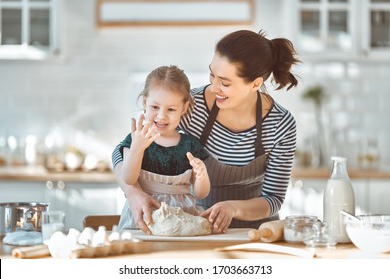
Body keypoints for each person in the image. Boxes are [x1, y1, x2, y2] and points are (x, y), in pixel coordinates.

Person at [112, 29, 300, 234]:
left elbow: (273, 199)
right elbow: (123, 151)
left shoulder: (280, 124)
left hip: (256, 232)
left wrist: (232, 207)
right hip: (198, 225)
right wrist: (133, 193)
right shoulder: (191, 106)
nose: (214, 86)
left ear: (255, 84)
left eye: (225, 82)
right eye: (212, 74)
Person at [115, 65, 211, 233]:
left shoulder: (190, 144)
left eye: (171, 109)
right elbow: (129, 178)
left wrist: (202, 176)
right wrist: (137, 149)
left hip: (182, 220)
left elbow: (201, 193)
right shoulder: (135, 139)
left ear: (184, 108)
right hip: (142, 219)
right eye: (155, 107)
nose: (161, 115)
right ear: (145, 102)